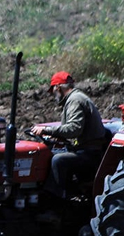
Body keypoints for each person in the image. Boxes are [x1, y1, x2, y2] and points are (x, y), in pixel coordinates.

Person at [31, 71, 106, 199]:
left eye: (53, 89)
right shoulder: (75, 98)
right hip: (85, 149)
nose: (53, 93)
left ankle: (54, 204)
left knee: (58, 160)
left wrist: (47, 130)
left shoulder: (75, 100)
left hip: (91, 153)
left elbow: (74, 129)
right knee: (52, 153)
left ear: (58, 87)